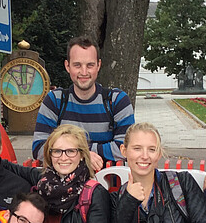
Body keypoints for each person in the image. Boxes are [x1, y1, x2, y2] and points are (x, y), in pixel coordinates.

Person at [32, 36, 135, 171]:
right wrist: (82, 154)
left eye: (90, 65)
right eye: (77, 65)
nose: (84, 72)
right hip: (63, 187)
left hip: (109, 187)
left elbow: (127, 148)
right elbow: (39, 148)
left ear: (98, 65)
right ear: (67, 66)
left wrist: (69, 150)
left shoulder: (117, 101)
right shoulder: (55, 101)